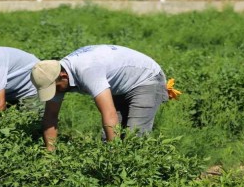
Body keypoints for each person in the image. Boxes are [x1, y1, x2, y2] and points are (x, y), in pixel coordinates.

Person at [30, 45, 176, 151]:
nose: (54, 92)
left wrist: (114, 157)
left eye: (54, 88)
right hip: (120, 83)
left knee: (135, 137)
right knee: (109, 138)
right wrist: (50, 156)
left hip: (146, 78)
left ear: (63, 76)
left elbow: (108, 113)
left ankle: (138, 182)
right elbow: (51, 116)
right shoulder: (55, 75)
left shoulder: (87, 70)